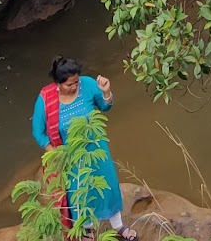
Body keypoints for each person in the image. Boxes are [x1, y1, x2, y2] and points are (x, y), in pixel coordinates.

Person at [31, 56, 136, 240]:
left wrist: (106, 92)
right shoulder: (46, 98)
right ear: (58, 83)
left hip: (97, 149)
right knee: (80, 193)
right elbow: (38, 132)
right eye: (70, 84)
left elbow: (105, 106)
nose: (75, 86)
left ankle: (118, 225)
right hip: (72, 156)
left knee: (107, 186)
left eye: (76, 82)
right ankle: (88, 230)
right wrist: (56, 154)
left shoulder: (87, 84)